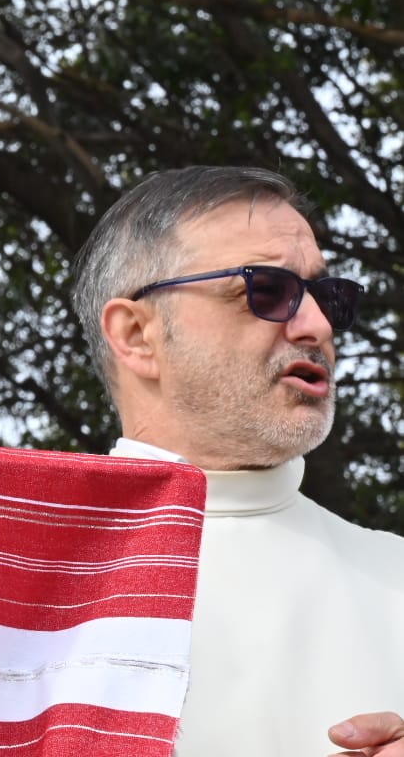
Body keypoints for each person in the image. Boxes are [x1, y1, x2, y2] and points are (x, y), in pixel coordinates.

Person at [71, 166, 404, 757]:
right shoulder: (12, 585)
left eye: (327, 297)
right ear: (137, 335)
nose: (318, 326)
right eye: (266, 290)